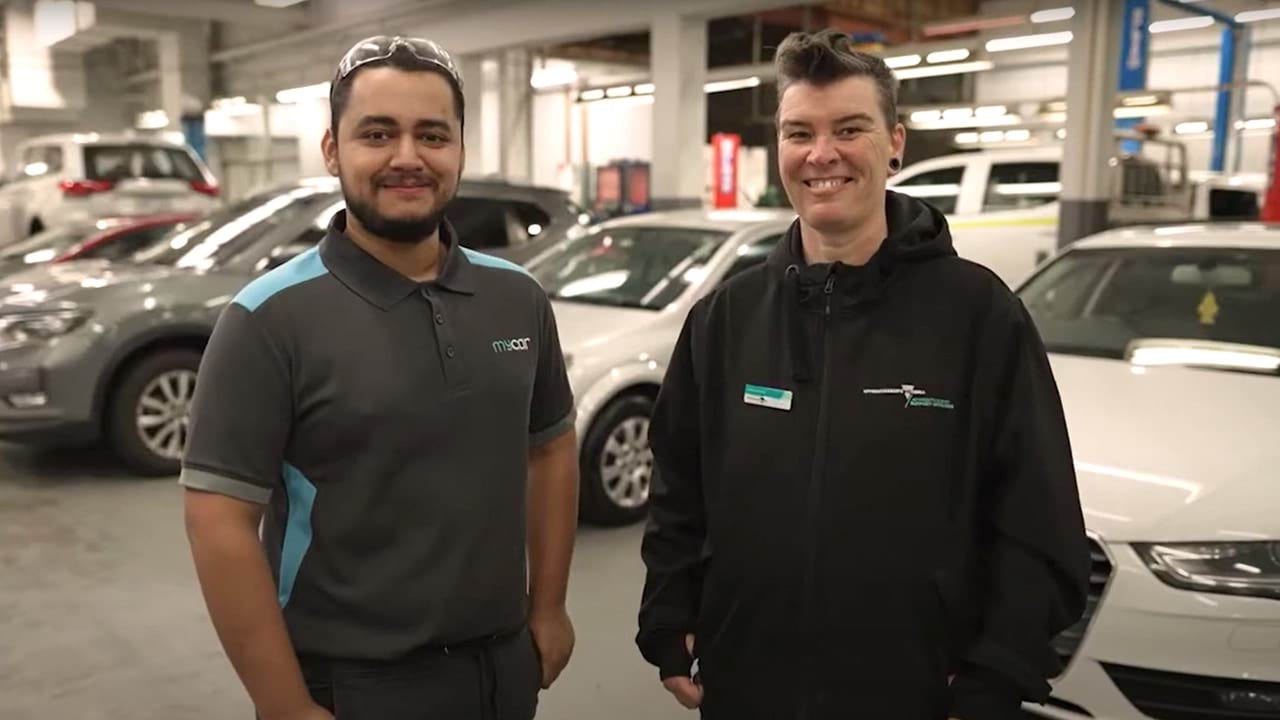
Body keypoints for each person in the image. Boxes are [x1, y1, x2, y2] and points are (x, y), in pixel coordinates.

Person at [637, 29, 1091, 720]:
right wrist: (670, 618)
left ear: (896, 142)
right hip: (746, 685)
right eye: (800, 133)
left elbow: (1039, 517)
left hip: (916, 693)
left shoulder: (978, 315)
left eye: (850, 129)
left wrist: (997, 670)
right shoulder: (726, 318)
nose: (822, 155)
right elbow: (678, 488)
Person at [181, 36, 579, 720]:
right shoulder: (267, 318)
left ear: (459, 148)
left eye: (432, 135)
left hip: (503, 671)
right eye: (377, 133)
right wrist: (283, 704)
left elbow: (550, 447)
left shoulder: (517, 298)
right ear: (332, 149)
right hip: (354, 686)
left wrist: (548, 607)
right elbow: (218, 519)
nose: (407, 158)